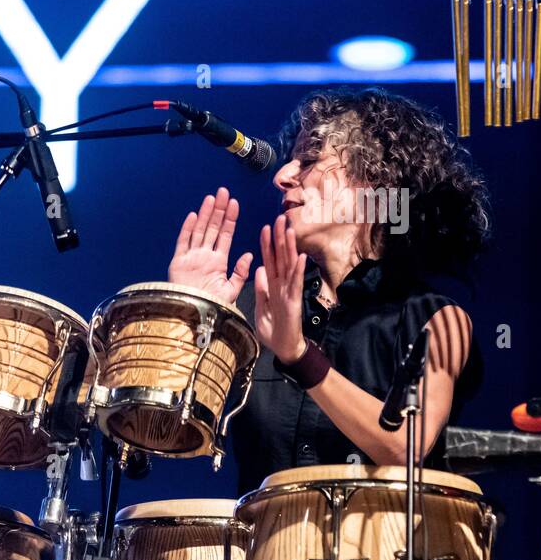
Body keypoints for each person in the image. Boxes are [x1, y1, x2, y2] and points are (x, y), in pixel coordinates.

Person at [166, 86, 491, 494]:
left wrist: (301, 358)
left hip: (382, 554)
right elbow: (165, 434)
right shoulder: (255, 306)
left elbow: (406, 445)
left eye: (309, 160)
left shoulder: (437, 320)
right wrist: (188, 317)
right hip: (263, 553)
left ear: (373, 182)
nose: (283, 176)